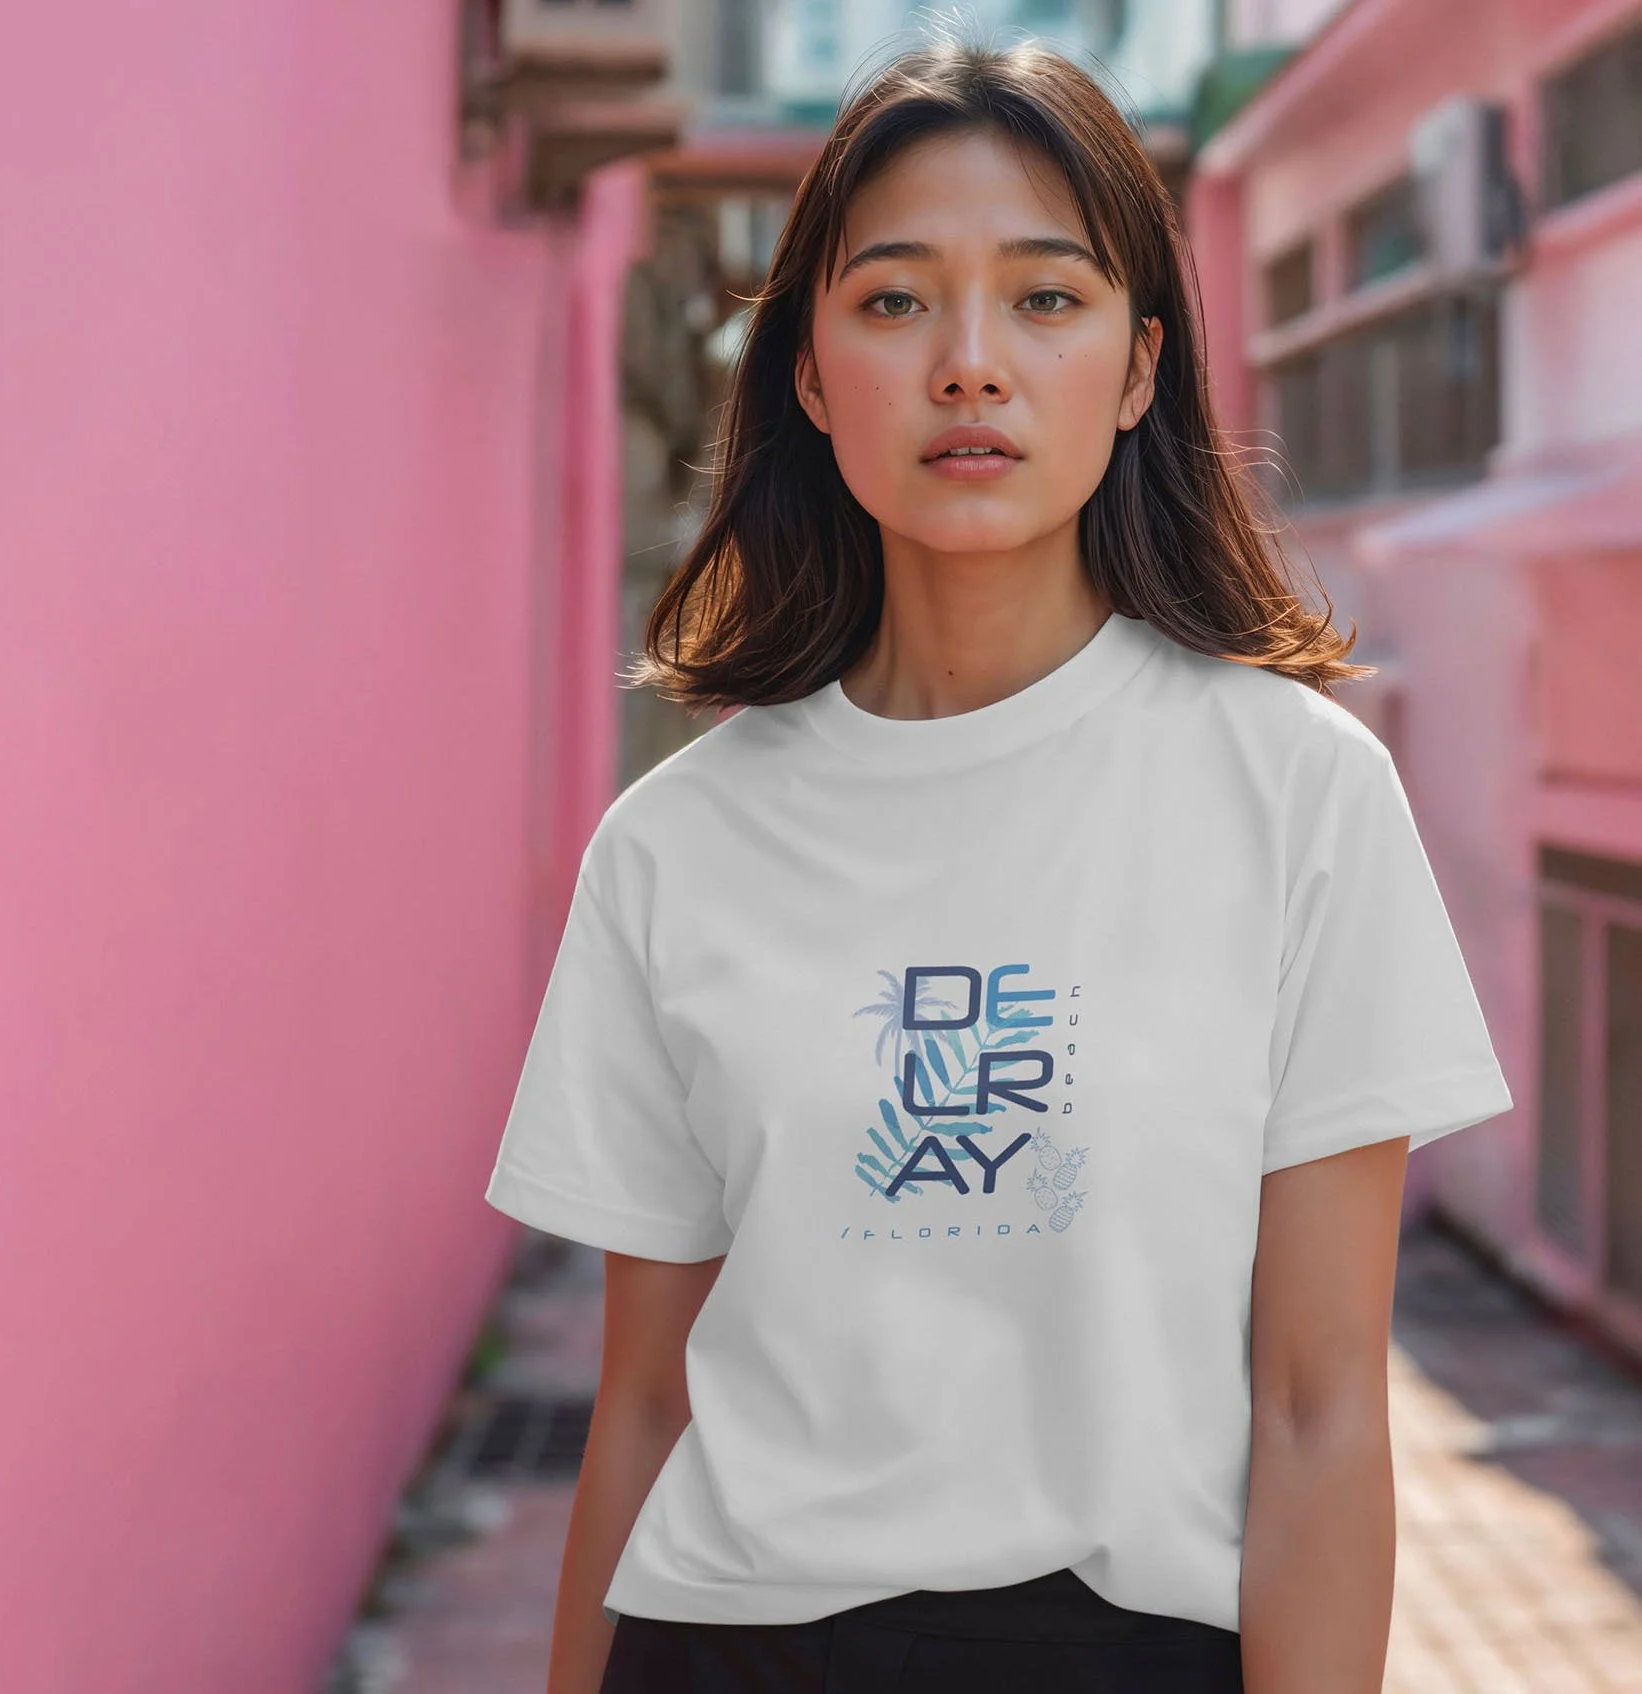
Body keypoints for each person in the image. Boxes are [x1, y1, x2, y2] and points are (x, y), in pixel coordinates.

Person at [483, 36, 1513, 1694]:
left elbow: (1320, 1402)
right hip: (729, 1648)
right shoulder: (675, 845)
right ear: (809, 373)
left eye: (1045, 299)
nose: (970, 363)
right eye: (893, 302)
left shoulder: (1298, 796)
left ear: (1135, 369)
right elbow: (647, 1404)